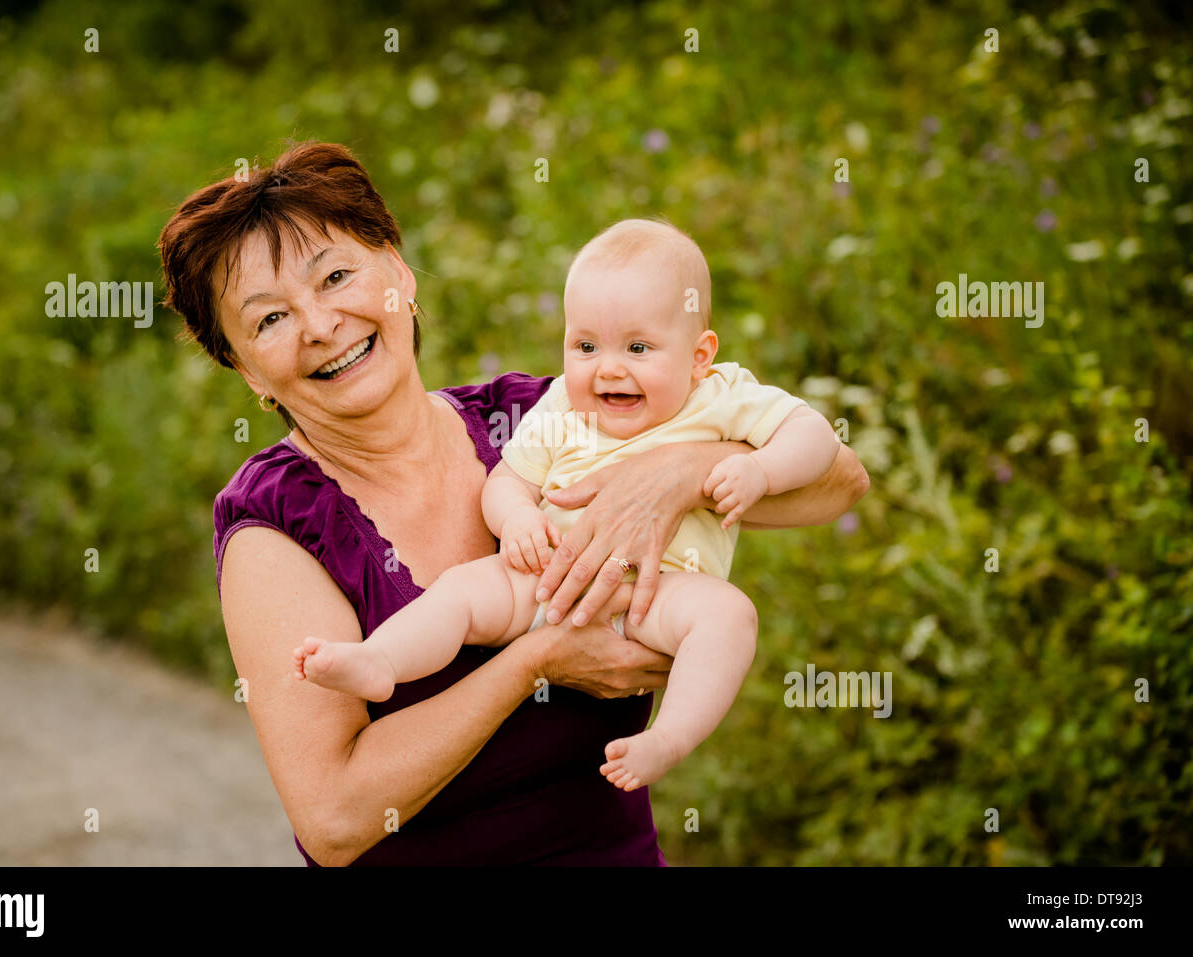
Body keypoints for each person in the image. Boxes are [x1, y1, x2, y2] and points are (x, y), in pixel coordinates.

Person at [157, 141, 870, 865]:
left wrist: (685, 469)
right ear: (248, 372)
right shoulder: (276, 522)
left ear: (398, 274)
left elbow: (838, 482)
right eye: (269, 319)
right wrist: (537, 660)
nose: (318, 324)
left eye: (337, 276)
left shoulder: (542, 421)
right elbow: (335, 820)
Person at [293, 219, 842, 792]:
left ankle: (669, 739)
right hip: (547, 584)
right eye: (585, 346)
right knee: (459, 592)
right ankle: (381, 661)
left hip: (656, 597)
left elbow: (817, 437)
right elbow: (506, 481)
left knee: (729, 617)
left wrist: (758, 469)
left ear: (700, 355)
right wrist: (520, 518)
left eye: (638, 348)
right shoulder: (561, 407)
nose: (608, 367)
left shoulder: (721, 397)